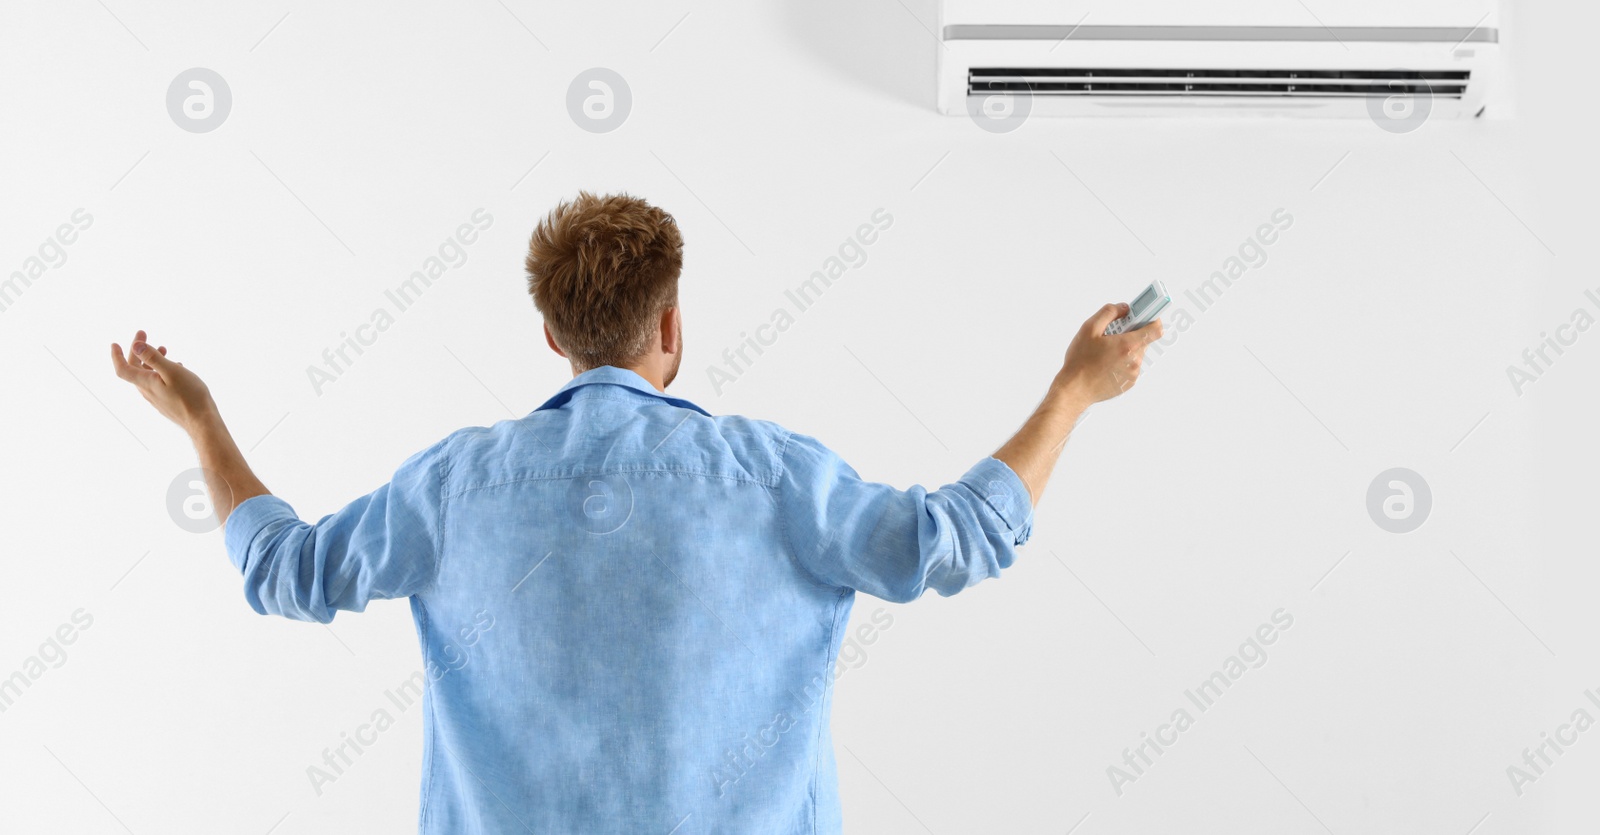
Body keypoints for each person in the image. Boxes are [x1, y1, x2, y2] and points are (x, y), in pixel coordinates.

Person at [111, 191, 1161, 834]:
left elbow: (283, 570)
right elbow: (958, 537)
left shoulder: (454, 486)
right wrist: (1072, 388)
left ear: (552, 337)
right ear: (669, 321)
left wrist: (199, 417)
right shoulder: (773, 476)